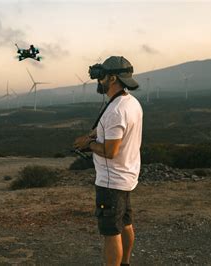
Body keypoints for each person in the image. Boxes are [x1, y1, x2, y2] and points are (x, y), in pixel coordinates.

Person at [73, 56, 143, 266]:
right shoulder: (131, 103)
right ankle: (126, 263)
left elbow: (111, 151)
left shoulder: (115, 111)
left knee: (111, 232)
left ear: (112, 78)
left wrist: (87, 145)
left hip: (111, 182)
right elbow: (112, 134)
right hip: (126, 176)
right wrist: (94, 135)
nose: (99, 81)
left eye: (102, 76)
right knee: (125, 223)